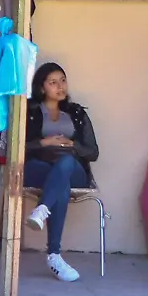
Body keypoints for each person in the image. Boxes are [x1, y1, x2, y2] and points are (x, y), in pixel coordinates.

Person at [22, 62, 98, 283]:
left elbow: (93, 152)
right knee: (59, 184)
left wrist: (71, 144)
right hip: (39, 167)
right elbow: (16, 148)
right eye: (53, 82)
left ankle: (43, 207)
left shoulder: (76, 112)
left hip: (73, 168)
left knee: (64, 165)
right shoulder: (30, 111)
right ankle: (54, 255)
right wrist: (43, 142)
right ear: (42, 86)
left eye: (63, 80)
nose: (60, 86)